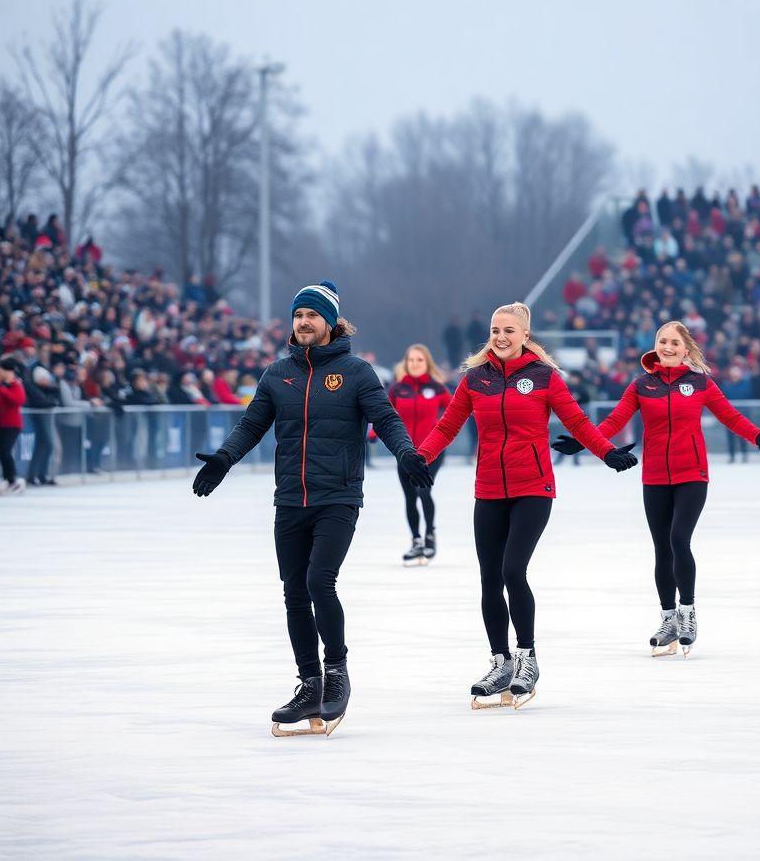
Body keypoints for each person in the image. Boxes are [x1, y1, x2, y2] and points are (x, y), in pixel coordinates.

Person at [192, 282, 432, 736]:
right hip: (290, 499)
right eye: (298, 315)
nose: (303, 322)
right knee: (293, 592)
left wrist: (407, 453)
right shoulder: (276, 374)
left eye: (312, 315)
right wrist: (224, 459)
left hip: (338, 496)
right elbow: (252, 424)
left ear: (330, 323)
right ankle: (309, 685)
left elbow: (387, 419)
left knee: (319, 580)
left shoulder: (357, 372)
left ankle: (336, 672)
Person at [416, 301, 637, 709]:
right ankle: (500, 663)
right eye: (495, 330)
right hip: (489, 489)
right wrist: (420, 457)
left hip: (533, 487)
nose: (500, 337)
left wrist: (606, 453)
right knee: (489, 579)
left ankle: (526, 658)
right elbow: (447, 426)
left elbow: (577, 423)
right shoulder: (474, 380)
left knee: (512, 570)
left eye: (509, 331)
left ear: (525, 336)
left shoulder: (544, 377)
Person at [554, 321, 760, 656]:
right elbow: (616, 420)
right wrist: (584, 442)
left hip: (692, 473)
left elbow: (730, 417)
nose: (668, 347)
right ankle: (668, 618)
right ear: (655, 346)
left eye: (674, 342)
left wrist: (759, 437)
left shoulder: (700, 382)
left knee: (678, 539)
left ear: (685, 349)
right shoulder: (642, 385)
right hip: (655, 476)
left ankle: (687, 613)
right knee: (662, 548)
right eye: (663, 341)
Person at [386, 343, 451, 565]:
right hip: (404, 452)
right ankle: (416, 541)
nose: (414, 364)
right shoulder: (396, 389)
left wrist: (442, 431)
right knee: (410, 497)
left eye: (419, 360)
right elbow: (384, 414)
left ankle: (430, 535)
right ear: (406, 363)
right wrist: (375, 432)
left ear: (427, 363)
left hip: (432, 451)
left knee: (423, 491)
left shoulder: (438, 388)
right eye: (411, 360)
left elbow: (456, 411)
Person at [0, 357, 27, 493]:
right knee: (1, 450)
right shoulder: (1, 386)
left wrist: (4, 390)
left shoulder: (16, 384)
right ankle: (7, 477)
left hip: (13, 423)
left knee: (5, 450)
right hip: (2, 422)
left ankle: (12, 478)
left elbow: (18, 400)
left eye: (1, 370)